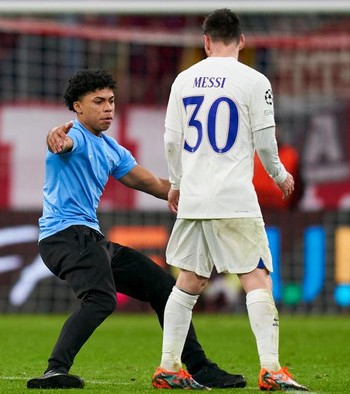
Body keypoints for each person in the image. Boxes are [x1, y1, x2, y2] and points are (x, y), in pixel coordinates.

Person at [27, 68, 245, 390]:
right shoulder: (72, 136)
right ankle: (55, 370)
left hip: (91, 239)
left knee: (165, 289)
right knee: (101, 300)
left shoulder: (112, 149)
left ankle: (199, 367)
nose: (108, 108)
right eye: (98, 101)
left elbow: (156, 185)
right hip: (64, 237)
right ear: (77, 106)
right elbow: (60, 142)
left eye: (111, 101)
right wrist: (55, 136)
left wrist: (198, 191)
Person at [152, 9, 309, 391]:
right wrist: (280, 175)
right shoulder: (254, 80)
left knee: (188, 282)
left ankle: (169, 366)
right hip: (233, 197)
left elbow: (172, 140)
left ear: (205, 42)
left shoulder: (183, 80)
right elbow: (265, 140)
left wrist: (176, 184)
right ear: (241, 41)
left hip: (194, 197)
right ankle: (270, 368)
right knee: (256, 278)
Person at [252, 128, 303, 210]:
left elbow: (298, 187)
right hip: (254, 208)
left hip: (280, 210)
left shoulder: (290, 155)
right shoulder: (251, 153)